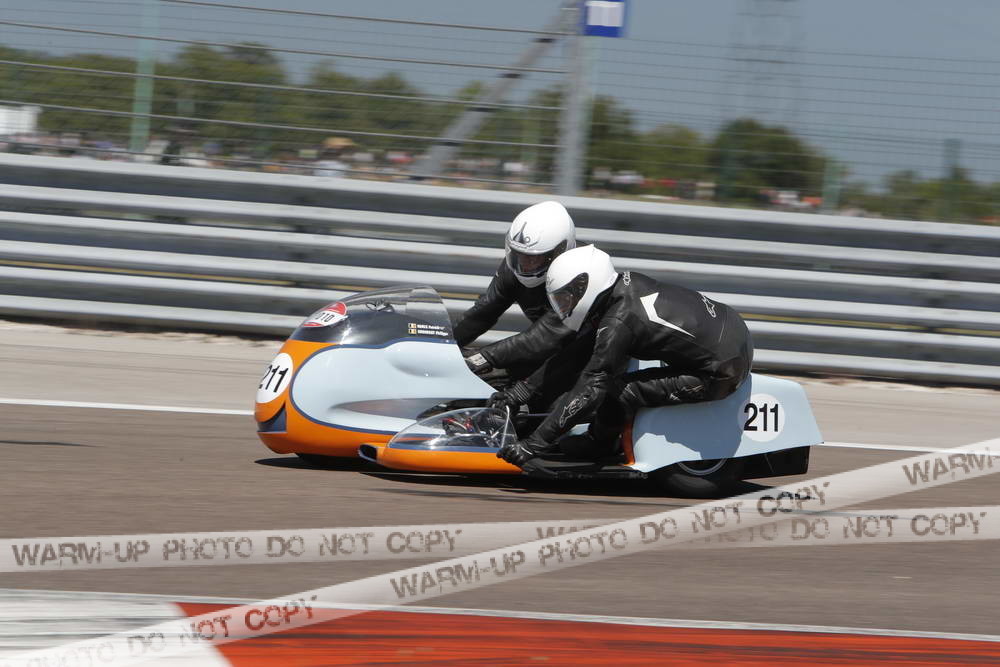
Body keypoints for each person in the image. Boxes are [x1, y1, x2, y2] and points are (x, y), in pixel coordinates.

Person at [494, 245, 753, 471]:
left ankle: (600, 444)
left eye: (566, 298)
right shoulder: (623, 287)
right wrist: (520, 392)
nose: (564, 305)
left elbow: (590, 389)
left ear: (586, 286)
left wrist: (533, 445)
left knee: (617, 391)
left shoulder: (619, 321)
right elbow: (576, 351)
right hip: (732, 328)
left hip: (721, 370)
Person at [454, 200, 577, 383]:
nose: (524, 265)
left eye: (534, 259)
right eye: (519, 256)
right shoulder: (514, 269)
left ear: (558, 253)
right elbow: (482, 313)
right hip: (549, 354)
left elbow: (543, 337)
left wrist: (482, 357)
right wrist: (443, 345)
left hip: (589, 360)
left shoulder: (578, 277)